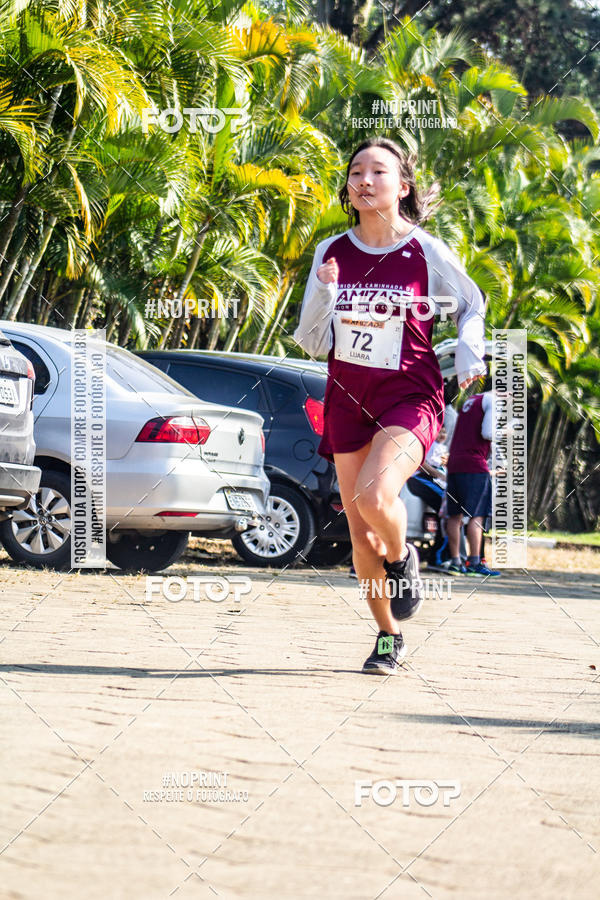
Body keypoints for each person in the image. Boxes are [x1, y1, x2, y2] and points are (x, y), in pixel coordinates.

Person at [293, 137, 486, 674]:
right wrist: (324, 293)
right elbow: (312, 341)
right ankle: (387, 636)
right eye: (356, 171)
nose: (364, 179)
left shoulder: (425, 250)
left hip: (409, 396)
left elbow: (471, 304)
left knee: (376, 495)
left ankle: (403, 559)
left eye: (378, 171)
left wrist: (469, 349)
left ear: (402, 186)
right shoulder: (331, 252)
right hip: (347, 398)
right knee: (361, 533)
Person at [445, 389, 501, 577]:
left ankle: (455, 563)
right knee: (477, 515)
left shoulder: (471, 400)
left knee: (455, 515)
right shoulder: (492, 400)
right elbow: (488, 433)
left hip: (455, 463)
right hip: (474, 465)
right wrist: (508, 430)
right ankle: (474, 563)